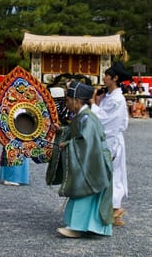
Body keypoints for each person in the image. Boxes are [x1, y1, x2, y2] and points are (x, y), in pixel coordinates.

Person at [47, 80, 113, 238]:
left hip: (93, 162)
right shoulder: (82, 116)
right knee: (85, 194)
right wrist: (62, 130)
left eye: (68, 100)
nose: (66, 103)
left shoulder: (87, 118)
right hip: (91, 161)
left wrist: (68, 144)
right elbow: (75, 132)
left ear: (77, 101)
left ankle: (78, 227)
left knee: (83, 191)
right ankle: (88, 227)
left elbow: (85, 142)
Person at [91, 62, 131, 226]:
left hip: (112, 140)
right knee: (111, 173)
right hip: (109, 139)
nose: (104, 78)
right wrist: (98, 102)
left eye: (107, 75)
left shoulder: (118, 99)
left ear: (114, 78)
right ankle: (114, 211)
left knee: (113, 174)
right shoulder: (110, 96)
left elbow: (106, 120)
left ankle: (115, 209)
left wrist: (93, 104)